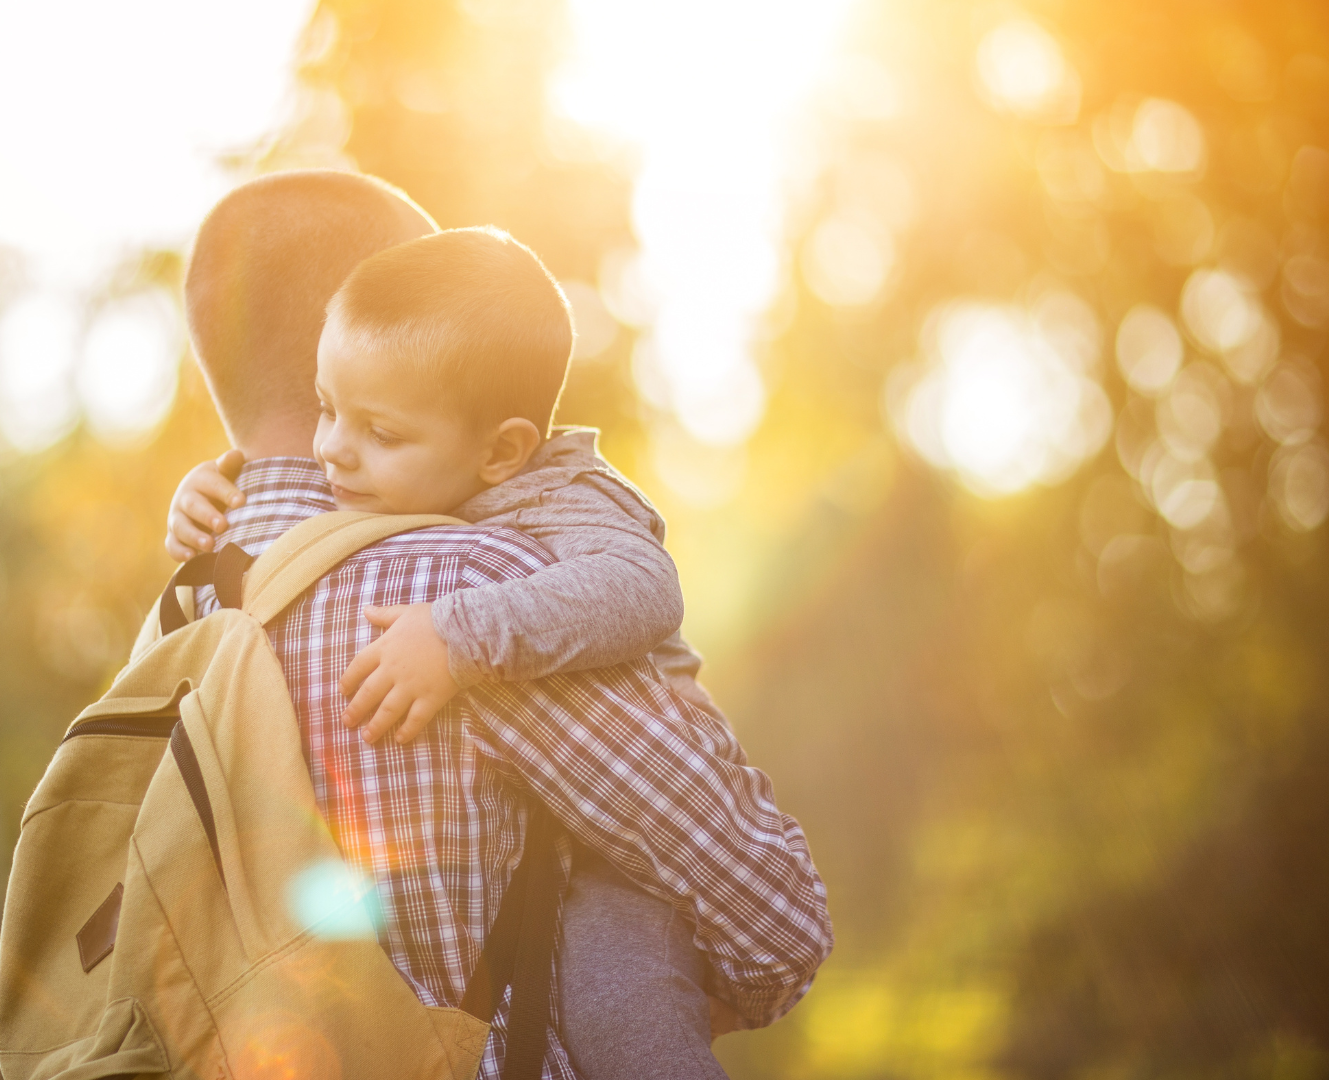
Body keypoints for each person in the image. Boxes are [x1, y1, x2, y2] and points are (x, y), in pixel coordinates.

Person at [167, 169, 832, 1079]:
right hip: (571, 923)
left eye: (376, 427)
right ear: (343, 327)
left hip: (582, 895)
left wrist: (459, 637)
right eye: (328, 411)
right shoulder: (451, 565)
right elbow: (774, 921)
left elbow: (644, 586)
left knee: (630, 1005)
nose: (336, 451)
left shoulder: (187, 608)